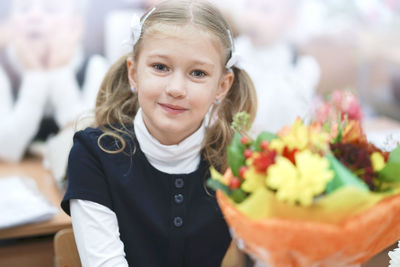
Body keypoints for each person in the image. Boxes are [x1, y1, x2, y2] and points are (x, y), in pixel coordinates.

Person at [61, 0, 257, 266]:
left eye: (197, 73)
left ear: (222, 86)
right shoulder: (94, 155)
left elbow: (264, 253)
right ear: (134, 73)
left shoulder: (239, 163)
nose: (176, 88)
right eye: (160, 67)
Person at [0, 0, 109, 163]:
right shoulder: (4, 69)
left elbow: (91, 143)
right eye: (24, 9)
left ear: (75, 25)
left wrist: (59, 71)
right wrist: (35, 75)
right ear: (11, 24)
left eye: (50, 9)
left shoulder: (96, 66)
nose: (34, 16)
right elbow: (6, 150)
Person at [234, 0, 320, 133]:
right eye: (249, 5)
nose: (252, 17)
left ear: (291, 17)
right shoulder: (230, 56)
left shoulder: (302, 68)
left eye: (266, 10)